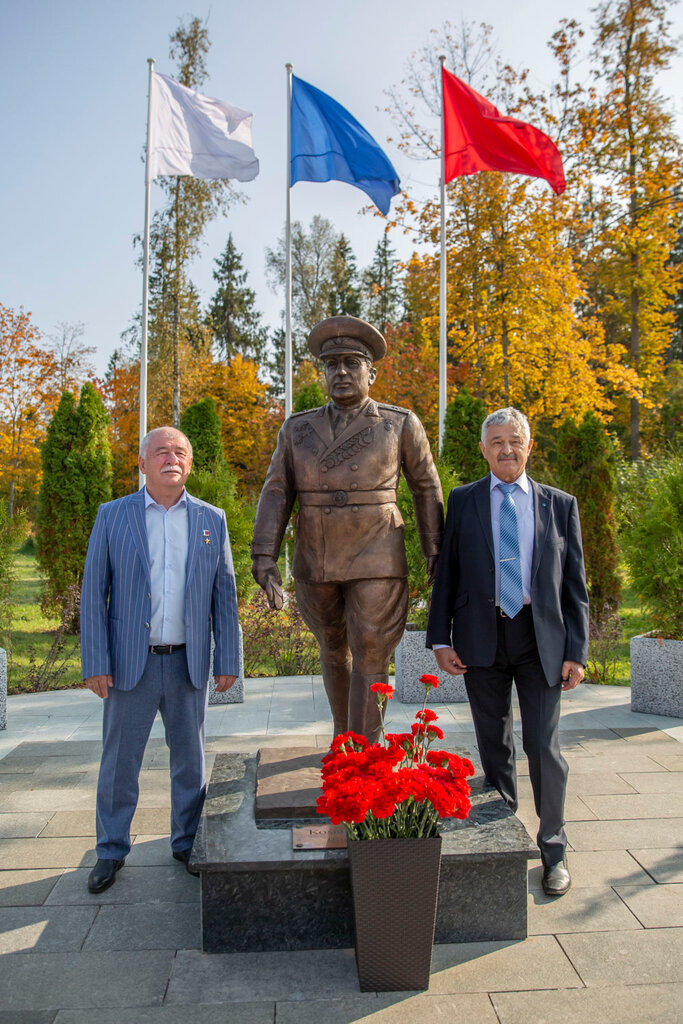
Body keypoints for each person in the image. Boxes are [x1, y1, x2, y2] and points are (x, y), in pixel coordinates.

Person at [252, 315, 443, 742]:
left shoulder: (399, 423)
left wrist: (436, 547)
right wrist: (263, 554)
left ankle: (367, 747)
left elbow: (427, 487)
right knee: (333, 648)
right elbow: (277, 491)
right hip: (316, 556)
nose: (340, 372)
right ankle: (344, 735)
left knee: (372, 648)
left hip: (377, 551)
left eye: (351, 363)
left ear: (371, 372)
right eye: (331, 364)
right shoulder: (297, 428)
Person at [426, 407, 588, 897]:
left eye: (515, 439)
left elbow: (575, 587)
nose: (506, 448)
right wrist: (440, 637)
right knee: (494, 746)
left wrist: (576, 651)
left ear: (529, 444)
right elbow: (447, 575)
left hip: (541, 642)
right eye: (496, 441)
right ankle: (502, 839)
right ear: (483, 449)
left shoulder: (559, 505)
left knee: (543, 748)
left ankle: (553, 849)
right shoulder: (464, 500)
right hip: (481, 638)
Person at [81, 426, 240, 894]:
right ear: (143, 463)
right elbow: (94, 593)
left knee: (190, 762)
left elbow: (224, 596)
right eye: (161, 451)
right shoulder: (114, 516)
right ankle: (110, 850)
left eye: (180, 452)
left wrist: (227, 657)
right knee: (119, 764)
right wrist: (96, 661)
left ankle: (187, 842)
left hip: (189, 664)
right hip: (132, 666)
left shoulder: (212, 519)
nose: (172, 458)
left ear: (189, 464)